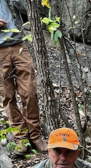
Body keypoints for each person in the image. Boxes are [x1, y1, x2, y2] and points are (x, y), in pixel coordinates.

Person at [0, 0, 46, 157]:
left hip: (20, 44)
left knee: (29, 92)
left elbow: (29, 9)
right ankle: (21, 139)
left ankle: (35, 136)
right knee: (7, 96)